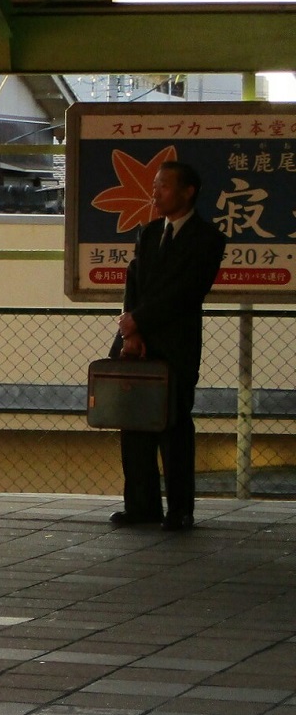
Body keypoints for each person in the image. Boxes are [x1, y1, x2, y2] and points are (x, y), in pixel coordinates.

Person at [111, 159, 227, 533]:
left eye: (163, 186)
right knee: (133, 423)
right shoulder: (148, 233)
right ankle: (140, 506)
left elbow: (186, 293)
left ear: (187, 192)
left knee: (173, 427)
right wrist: (131, 331)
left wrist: (140, 321)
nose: (155, 193)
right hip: (137, 343)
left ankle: (180, 509)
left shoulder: (207, 239)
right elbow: (133, 283)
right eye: (154, 186)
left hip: (176, 345)